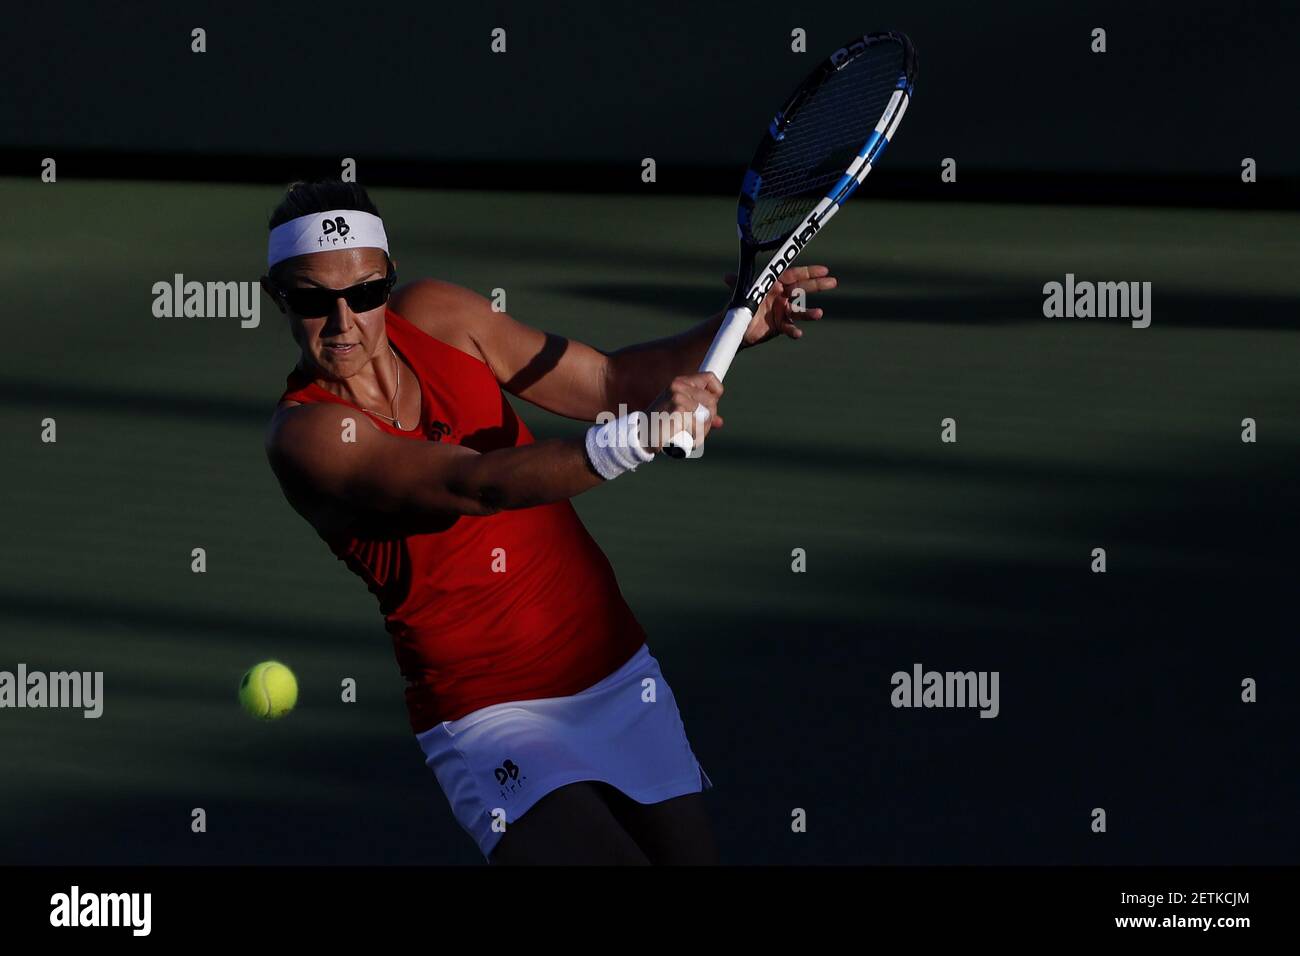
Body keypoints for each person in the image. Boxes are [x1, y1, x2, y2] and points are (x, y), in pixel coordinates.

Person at [260, 179, 836, 864]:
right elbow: (473, 484)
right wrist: (636, 438)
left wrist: (737, 327)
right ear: (279, 300)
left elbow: (608, 383)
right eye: (313, 300)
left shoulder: (441, 314)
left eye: (365, 293)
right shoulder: (309, 437)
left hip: (615, 666)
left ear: (390, 280)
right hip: (490, 713)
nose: (344, 321)